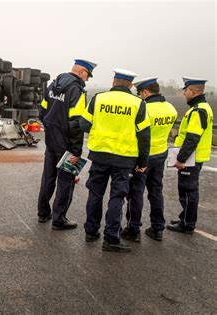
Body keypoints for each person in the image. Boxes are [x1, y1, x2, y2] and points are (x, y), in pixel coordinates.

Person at [79, 69, 150, 253]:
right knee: (117, 197)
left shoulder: (98, 99)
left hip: (99, 155)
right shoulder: (138, 104)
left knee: (95, 194)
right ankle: (111, 239)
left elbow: (84, 124)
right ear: (131, 85)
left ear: (113, 82)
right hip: (124, 159)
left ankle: (91, 231)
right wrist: (142, 162)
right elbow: (144, 137)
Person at [37, 59, 97, 230]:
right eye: (87, 76)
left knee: (48, 178)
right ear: (82, 72)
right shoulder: (76, 90)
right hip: (67, 145)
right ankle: (59, 219)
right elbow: (76, 123)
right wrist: (76, 151)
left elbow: (42, 111)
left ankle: (43, 213)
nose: (87, 80)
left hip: (51, 141)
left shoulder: (53, 85)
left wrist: (50, 128)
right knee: (65, 182)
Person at [122, 77, 177, 242]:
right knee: (156, 192)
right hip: (160, 155)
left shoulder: (144, 108)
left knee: (136, 192)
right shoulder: (171, 108)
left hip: (143, 158)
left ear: (145, 92)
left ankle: (133, 230)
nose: (140, 96)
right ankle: (157, 228)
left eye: (140, 93)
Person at [167, 77, 214, 234]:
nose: (183, 93)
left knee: (188, 190)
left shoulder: (198, 110)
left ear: (194, 91)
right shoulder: (202, 107)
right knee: (187, 190)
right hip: (194, 157)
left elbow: (193, 137)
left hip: (191, 158)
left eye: (185, 90)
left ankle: (187, 224)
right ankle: (185, 217)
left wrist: (181, 159)